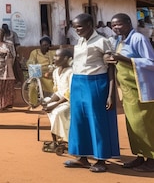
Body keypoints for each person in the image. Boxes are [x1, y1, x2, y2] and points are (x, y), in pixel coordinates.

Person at [64, 13, 119, 173]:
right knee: (79, 120)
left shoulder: (103, 41)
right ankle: (82, 156)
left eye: (79, 26)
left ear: (90, 24)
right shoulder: (79, 41)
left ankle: (101, 159)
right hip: (78, 83)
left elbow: (111, 68)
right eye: (75, 28)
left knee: (97, 120)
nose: (77, 30)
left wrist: (110, 94)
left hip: (95, 83)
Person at [105, 13, 154, 172]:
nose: (116, 28)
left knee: (145, 125)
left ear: (128, 23)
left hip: (142, 90)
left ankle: (152, 159)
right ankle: (141, 156)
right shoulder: (119, 41)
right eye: (113, 25)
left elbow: (151, 62)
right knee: (133, 125)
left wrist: (124, 59)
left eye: (119, 24)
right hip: (128, 92)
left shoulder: (138, 39)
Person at [42, 48, 73, 152]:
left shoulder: (71, 72)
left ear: (66, 59)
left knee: (56, 112)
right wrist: (49, 103)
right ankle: (57, 140)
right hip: (60, 99)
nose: (54, 58)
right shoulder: (55, 72)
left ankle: (60, 141)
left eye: (57, 56)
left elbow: (69, 93)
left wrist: (54, 105)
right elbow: (57, 91)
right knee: (48, 105)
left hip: (70, 102)